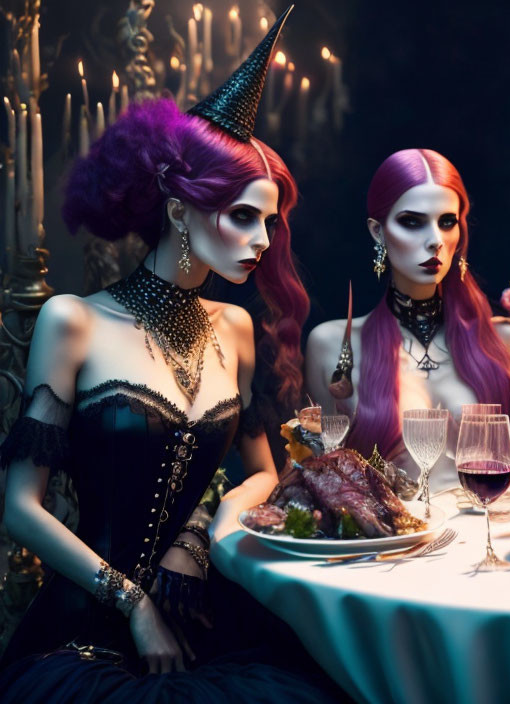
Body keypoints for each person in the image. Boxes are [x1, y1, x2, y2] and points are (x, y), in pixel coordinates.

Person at [0, 10, 343, 701]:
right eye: (243, 216)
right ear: (181, 209)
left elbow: (261, 476)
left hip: (208, 617)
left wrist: (196, 532)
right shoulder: (74, 321)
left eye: (269, 223)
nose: (261, 240)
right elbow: (18, 506)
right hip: (85, 631)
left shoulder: (235, 328)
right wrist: (134, 602)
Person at [305, 149, 510, 491]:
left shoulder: (503, 339)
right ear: (378, 231)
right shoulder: (333, 344)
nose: (435, 240)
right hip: (394, 540)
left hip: (489, 531)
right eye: (412, 221)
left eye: (446, 222)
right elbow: (320, 473)